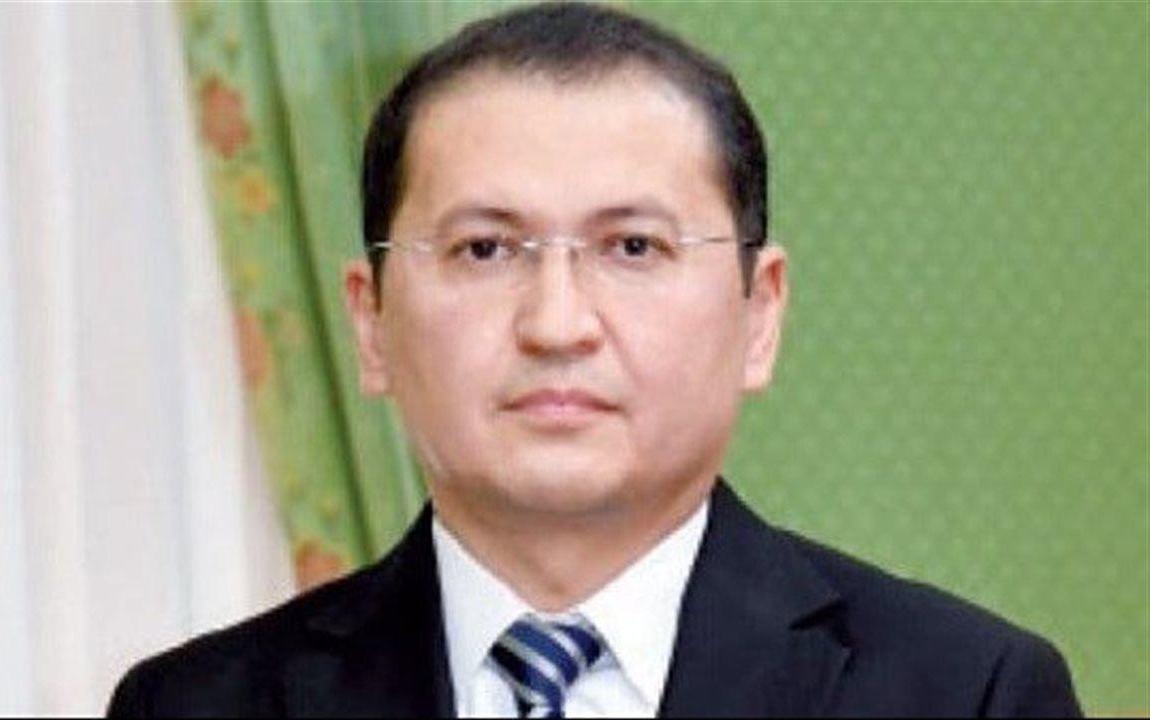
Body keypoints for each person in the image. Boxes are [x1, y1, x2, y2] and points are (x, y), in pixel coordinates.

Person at [108, 3, 1082, 717]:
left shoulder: (967, 694)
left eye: (633, 247)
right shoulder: (190, 706)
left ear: (758, 314)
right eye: (484, 249)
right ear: (371, 323)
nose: (557, 323)